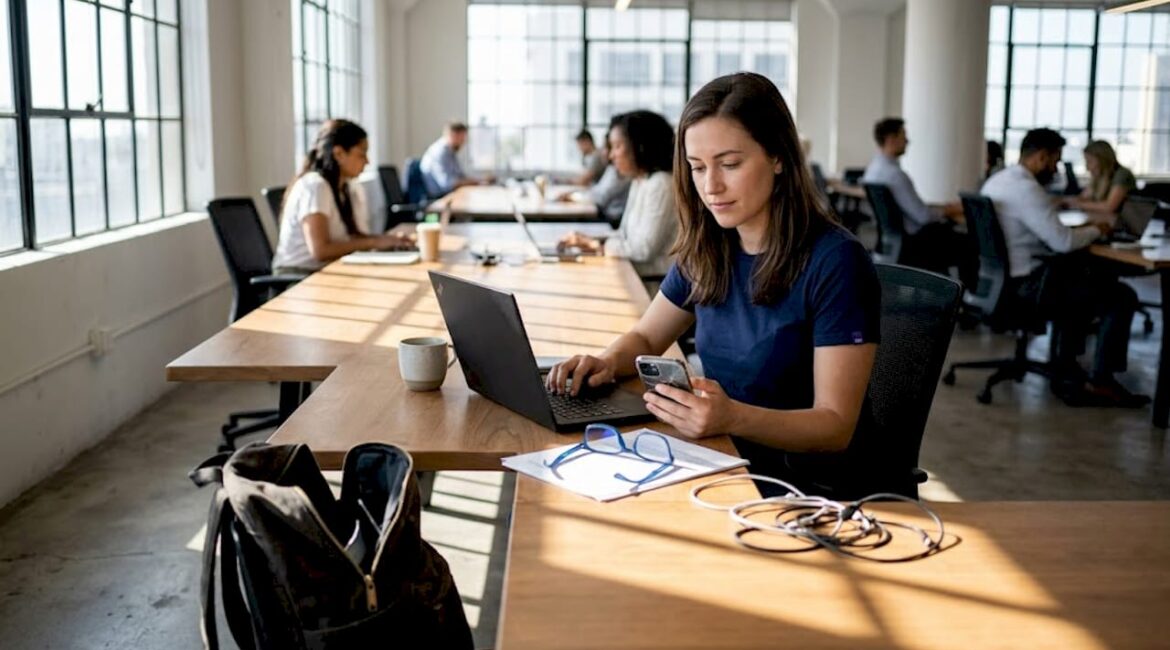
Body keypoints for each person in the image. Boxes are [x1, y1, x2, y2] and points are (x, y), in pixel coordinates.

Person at [547, 73, 884, 499]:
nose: (711, 186)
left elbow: (835, 424)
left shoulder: (836, 261)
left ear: (778, 156)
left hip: (809, 492)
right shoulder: (712, 245)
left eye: (729, 164)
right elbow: (649, 334)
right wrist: (607, 361)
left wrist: (732, 418)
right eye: (697, 167)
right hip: (726, 459)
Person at [981, 128, 1146, 408]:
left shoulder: (997, 181)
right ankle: (1101, 381)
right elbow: (1063, 242)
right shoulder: (1026, 188)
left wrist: (1082, 229)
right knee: (1120, 297)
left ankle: (1067, 366)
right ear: (1041, 157)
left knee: (1084, 282)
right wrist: (1096, 229)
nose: (1056, 168)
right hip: (1030, 286)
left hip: (1003, 282)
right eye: (1054, 161)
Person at [272, 120, 413, 273]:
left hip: (327, 270)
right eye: (361, 154)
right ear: (339, 154)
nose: (367, 161)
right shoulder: (315, 186)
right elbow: (320, 250)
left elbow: (348, 239)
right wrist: (374, 242)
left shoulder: (344, 188)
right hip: (298, 276)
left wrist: (385, 240)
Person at [559, 111, 678, 278]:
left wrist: (596, 244)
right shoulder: (640, 180)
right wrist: (593, 240)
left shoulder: (661, 184)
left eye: (617, 146)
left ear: (640, 146)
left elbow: (643, 250)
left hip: (650, 284)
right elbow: (624, 234)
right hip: (633, 274)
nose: (611, 155)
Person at [861, 117, 974, 287]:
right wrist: (951, 210)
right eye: (903, 136)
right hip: (917, 242)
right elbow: (922, 216)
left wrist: (943, 208)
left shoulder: (873, 170)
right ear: (891, 139)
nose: (908, 140)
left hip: (893, 240)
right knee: (968, 243)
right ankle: (961, 299)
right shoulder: (895, 175)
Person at [419, 121, 493, 197]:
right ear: (453, 135)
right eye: (462, 138)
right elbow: (447, 184)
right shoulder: (440, 152)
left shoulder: (450, 151)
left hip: (448, 194)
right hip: (438, 197)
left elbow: (460, 176)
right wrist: (478, 182)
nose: (463, 142)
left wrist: (481, 180)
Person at [1069, 140, 1136, 214]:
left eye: (1090, 161)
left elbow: (1109, 207)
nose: (1087, 167)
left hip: (1121, 223)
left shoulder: (1122, 174)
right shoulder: (1100, 177)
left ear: (1102, 160)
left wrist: (1079, 204)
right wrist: (1064, 201)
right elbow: (1082, 197)